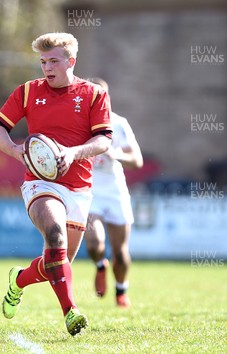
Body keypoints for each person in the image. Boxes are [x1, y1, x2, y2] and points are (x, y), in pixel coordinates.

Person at [0, 32, 112, 336]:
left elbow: (104, 140)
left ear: (71, 61)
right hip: (40, 183)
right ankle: (71, 312)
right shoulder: (28, 92)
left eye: (53, 60)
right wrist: (17, 152)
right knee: (54, 234)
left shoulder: (94, 94)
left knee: (56, 264)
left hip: (79, 189)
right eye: (43, 61)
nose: (47, 67)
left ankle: (18, 280)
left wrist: (73, 153)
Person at [83, 77, 143, 308]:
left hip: (115, 190)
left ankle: (121, 290)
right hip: (88, 190)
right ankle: (100, 265)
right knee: (94, 244)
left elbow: (137, 160)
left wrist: (116, 154)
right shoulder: (78, 122)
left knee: (121, 251)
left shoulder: (118, 123)